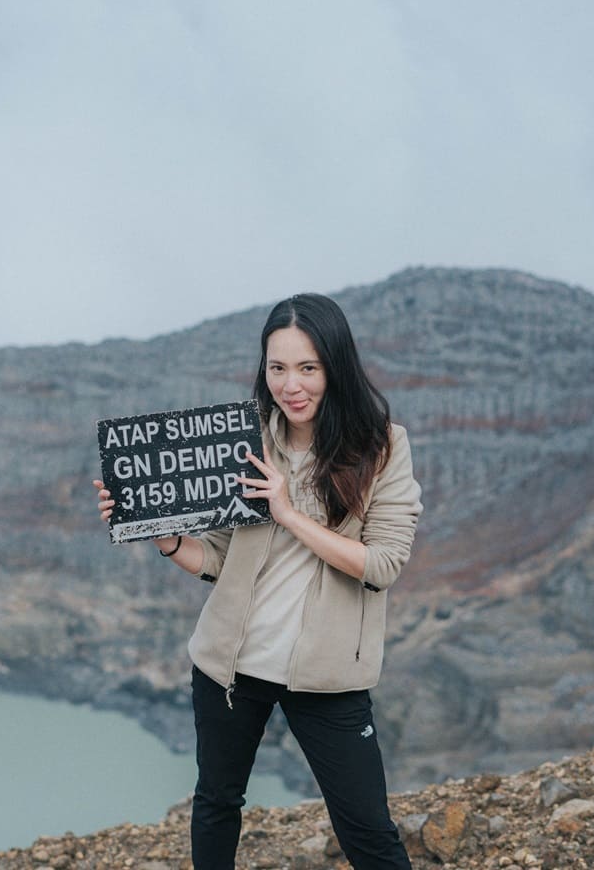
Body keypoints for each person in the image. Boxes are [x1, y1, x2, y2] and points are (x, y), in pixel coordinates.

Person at [94, 292, 422, 870]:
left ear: (335, 367)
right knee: (216, 804)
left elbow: (383, 564)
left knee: (368, 830)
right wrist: (163, 536)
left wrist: (289, 512)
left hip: (328, 676)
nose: (291, 385)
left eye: (308, 368)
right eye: (278, 368)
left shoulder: (382, 446)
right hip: (230, 667)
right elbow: (219, 560)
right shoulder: (246, 439)